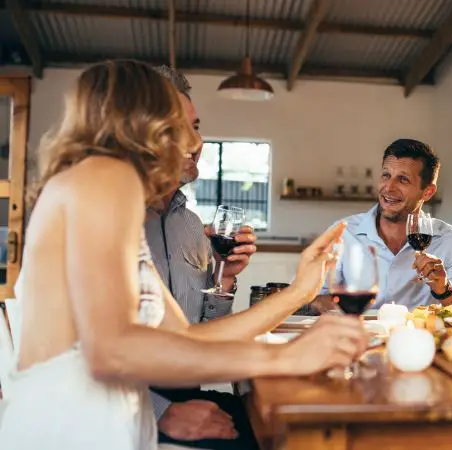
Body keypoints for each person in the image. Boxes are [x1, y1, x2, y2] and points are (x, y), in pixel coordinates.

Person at [0, 59, 368, 450]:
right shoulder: (105, 178)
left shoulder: (102, 187)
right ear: (139, 122)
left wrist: (300, 290)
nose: (195, 144)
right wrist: (285, 359)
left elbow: (189, 336)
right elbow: (111, 351)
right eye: (177, 126)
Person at [145, 66, 259, 449]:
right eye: (180, 130)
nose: (197, 141)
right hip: (131, 407)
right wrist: (161, 413)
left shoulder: (192, 226)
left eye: (196, 126)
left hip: (185, 388)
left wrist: (224, 278)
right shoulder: (114, 221)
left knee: (266, 418)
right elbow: (80, 355)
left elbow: (203, 332)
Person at [320, 139, 452, 312]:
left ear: (427, 192)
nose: (389, 188)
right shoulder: (343, 233)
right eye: (386, 175)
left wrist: (445, 291)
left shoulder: (450, 241)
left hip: (421, 338)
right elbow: (307, 298)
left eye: (403, 179)